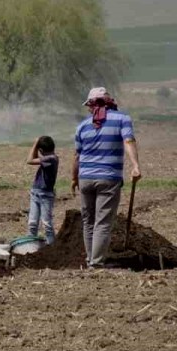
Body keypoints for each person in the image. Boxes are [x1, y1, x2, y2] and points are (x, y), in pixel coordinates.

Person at [72, 87, 142, 268]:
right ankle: (95, 263)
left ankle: (90, 260)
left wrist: (74, 179)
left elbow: (77, 156)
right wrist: (135, 165)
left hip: (85, 178)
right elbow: (129, 141)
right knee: (102, 222)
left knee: (88, 221)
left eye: (89, 105)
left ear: (92, 104)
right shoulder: (122, 119)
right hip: (108, 178)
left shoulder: (82, 126)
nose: (88, 109)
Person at [26, 135, 59, 245]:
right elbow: (35, 157)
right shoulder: (49, 158)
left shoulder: (52, 159)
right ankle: (30, 246)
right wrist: (37, 147)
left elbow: (30, 160)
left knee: (46, 224)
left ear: (41, 150)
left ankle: (52, 247)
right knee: (32, 223)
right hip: (36, 192)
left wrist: (35, 143)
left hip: (45, 195)